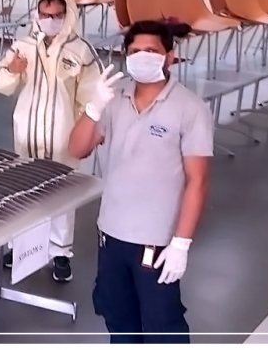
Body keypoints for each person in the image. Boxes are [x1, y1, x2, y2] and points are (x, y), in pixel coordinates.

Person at [67, 20, 212, 344]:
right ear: (124, 55)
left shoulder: (190, 108)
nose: (142, 57)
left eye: (152, 51)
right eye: (135, 52)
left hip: (156, 243)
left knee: (162, 325)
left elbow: (198, 180)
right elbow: (77, 149)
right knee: (117, 316)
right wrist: (93, 107)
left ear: (170, 57)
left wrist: (181, 244)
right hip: (111, 234)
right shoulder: (114, 100)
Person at [0, 0, 103, 283]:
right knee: (23, 189)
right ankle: (19, 245)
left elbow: (91, 96)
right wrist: (12, 70)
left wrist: (90, 132)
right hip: (26, 131)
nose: (50, 21)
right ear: (36, 15)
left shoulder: (81, 51)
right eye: (45, 14)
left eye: (57, 15)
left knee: (61, 191)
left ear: (67, 16)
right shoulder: (23, 46)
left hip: (62, 134)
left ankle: (60, 252)